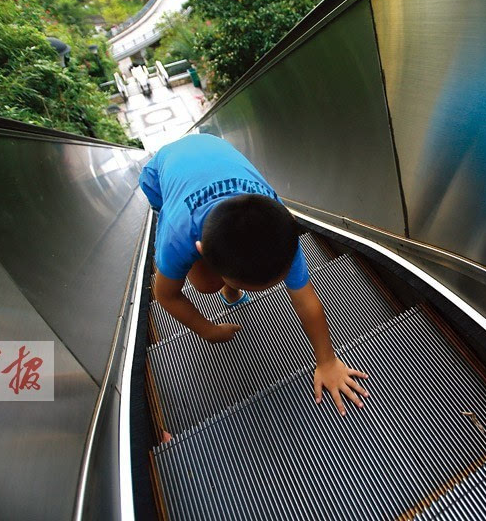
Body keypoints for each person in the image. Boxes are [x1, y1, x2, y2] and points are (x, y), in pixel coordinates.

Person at [139, 133, 369, 416]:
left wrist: (327, 361)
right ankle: (224, 288)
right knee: (205, 285)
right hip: (161, 174)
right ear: (200, 249)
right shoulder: (178, 237)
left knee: (219, 274)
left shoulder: (280, 230)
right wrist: (208, 330)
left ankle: (230, 290)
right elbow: (165, 294)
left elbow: (306, 301)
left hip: (212, 151)